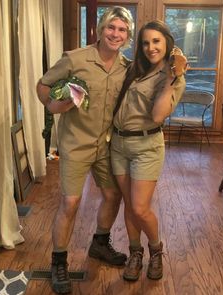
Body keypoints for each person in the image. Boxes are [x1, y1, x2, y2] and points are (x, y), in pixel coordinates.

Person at [36, 6, 134, 294]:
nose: (115, 34)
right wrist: (53, 106)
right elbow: (42, 85)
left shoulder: (125, 67)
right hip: (75, 144)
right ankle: (58, 262)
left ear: (127, 35)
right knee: (70, 203)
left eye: (122, 30)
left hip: (106, 145)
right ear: (100, 29)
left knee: (113, 195)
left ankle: (100, 244)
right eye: (111, 28)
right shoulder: (74, 59)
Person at [111, 20, 187, 282]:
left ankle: (155, 250)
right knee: (130, 205)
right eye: (145, 42)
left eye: (156, 41)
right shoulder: (136, 69)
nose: (150, 47)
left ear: (167, 43)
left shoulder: (174, 77)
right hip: (118, 144)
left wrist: (171, 77)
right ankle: (135, 253)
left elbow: (156, 116)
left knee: (141, 208)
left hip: (146, 147)